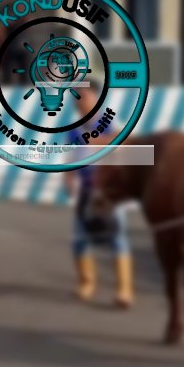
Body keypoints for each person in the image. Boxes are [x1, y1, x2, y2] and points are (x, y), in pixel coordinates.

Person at [66, 84, 132, 309]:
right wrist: (68, 177)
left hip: (108, 191)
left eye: (84, 96)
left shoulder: (107, 122)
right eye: (77, 97)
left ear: (96, 99)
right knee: (80, 237)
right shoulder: (73, 128)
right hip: (86, 188)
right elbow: (71, 156)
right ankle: (86, 283)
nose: (80, 101)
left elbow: (123, 141)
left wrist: (96, 142)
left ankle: (124, 290)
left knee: (117, 236)